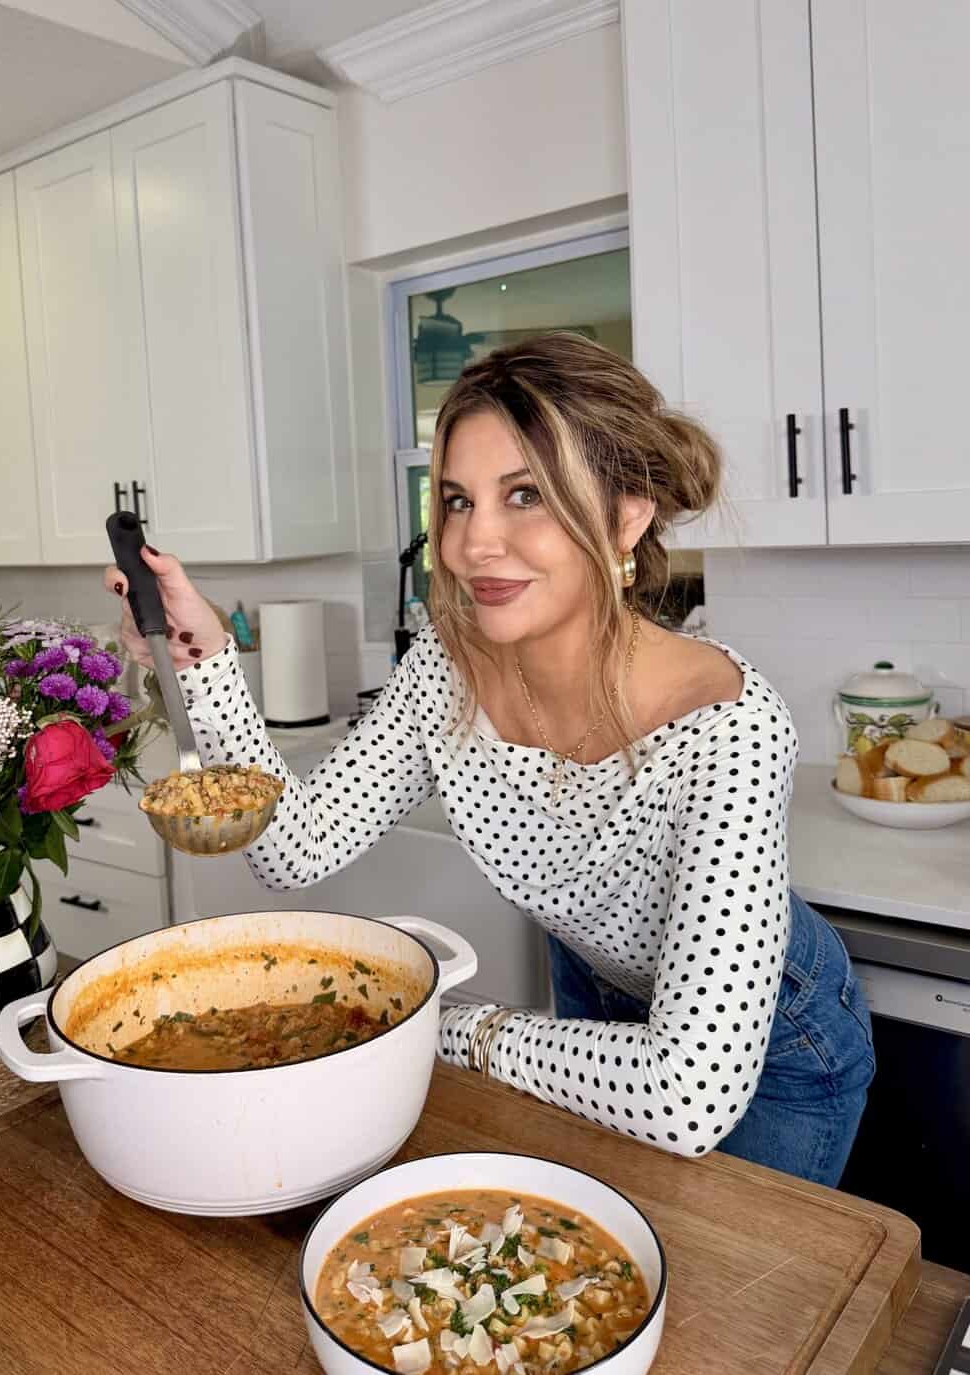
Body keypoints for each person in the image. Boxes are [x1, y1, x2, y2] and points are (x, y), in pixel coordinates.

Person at [104, 332, 875, 1187]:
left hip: (770, 1049)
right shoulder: (448, 666)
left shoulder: (727, 726)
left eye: (525, 495)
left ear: (626, 516)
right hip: (591, 1005)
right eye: (457, 500)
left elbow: (686, 1093)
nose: (475, 543)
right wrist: (207, 661)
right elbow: (293, 849)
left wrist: (453, 1026)